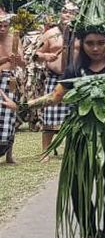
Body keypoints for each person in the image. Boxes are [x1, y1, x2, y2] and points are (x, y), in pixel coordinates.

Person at [17, 12, 105, 238]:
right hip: (82, 136)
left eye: (101, 43)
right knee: (78, 186)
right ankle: (89, 237)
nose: (96, 48)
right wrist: (23, 106)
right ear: (80, 43)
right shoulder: (74, 70)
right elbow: (55, 97)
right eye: (90, 43)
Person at [34, 13, 72, 155]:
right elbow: (35, 54)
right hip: (54, 79)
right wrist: (45, 56)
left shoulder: (80, 34)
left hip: (74, 80)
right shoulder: (50, 34)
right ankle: (45, 152)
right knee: (50, 116)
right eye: (67, 11)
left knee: (73, 118)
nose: (69, 15)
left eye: (74, 11)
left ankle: (71, 151)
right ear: (60, 14)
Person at [0, 13, 23, 164]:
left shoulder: (15, 39)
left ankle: (9, 155)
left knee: (10, 116)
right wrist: (4, 59)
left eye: (5, 26)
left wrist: (18, 59)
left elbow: (23, 64)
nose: (2, 29)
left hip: (11, 80)